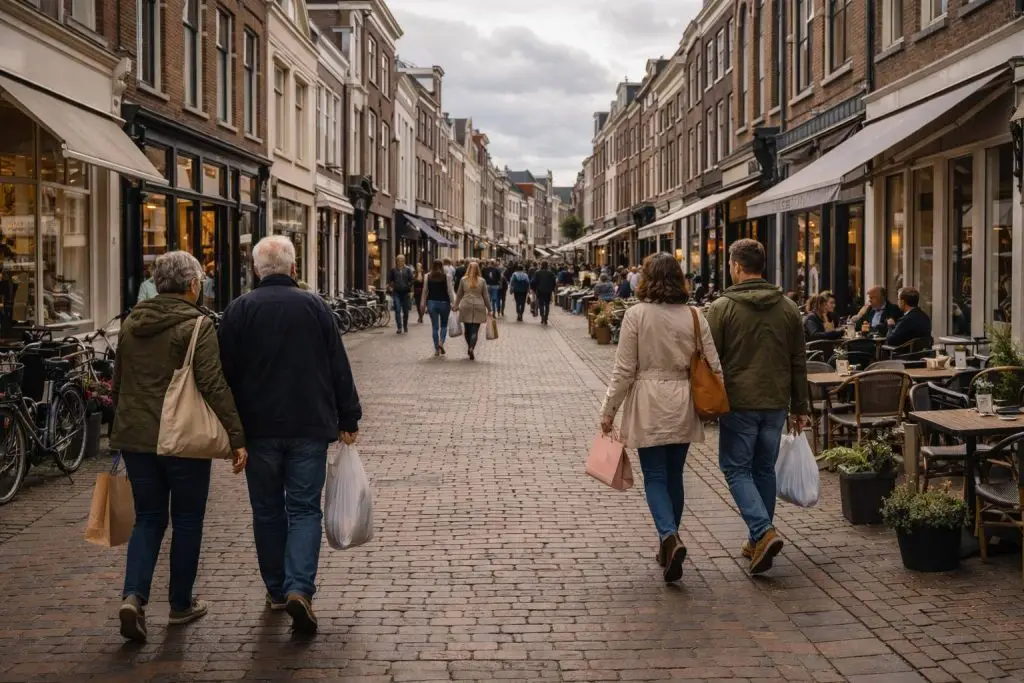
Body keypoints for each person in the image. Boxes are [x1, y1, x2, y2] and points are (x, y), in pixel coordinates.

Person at [218, 235, 361, 635]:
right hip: (308, 425)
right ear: (294, 268)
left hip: (258, 429)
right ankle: (300, 587)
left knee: (266, 511)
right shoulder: (315, 307)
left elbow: (223, 373)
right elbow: (338, 364)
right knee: (303, 509)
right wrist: (348, 416)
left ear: (255, 270)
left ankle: (278, 590)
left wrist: (231, 428)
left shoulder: (239, 310)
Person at [112, 251, 247, 643]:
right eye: (201, 281)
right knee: (187, 519)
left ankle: (133, 598)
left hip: (137, 438)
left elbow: (118, 383)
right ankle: (180, 604)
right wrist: (237, 436)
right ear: (192, 285)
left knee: (148, 518)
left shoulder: (132, 323)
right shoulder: (197, 325)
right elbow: (213, 384)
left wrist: (118, 432)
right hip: (183, 439)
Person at [600, 253, 722, 583]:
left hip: (649, 400)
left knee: (654, 476)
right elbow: (714, 365)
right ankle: (668, 543)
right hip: (683, 399)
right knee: (674, 476)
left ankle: (669, 536)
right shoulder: (696, 316)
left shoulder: (636, 315)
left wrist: (608, 411)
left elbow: (624, 370)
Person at [706, 239, 810, 576]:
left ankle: (763, 532)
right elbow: (798, 361)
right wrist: (800, 405)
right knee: (764, 468)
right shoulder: (789, 308)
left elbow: (710, 359)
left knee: (736, 469)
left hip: (739, 402)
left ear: (736, 266)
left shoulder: (722, 308)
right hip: (776, 401)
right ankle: (757, 539)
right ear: (762, 266)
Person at [453, 261, 492, 360]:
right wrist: (490, 309)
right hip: (479, 305)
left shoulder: (463, 280)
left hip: (466, 305)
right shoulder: (482, 281)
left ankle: (469, 346)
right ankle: (471, 347)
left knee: (467, 329)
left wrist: (456, 305)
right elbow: (486, 296)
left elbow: (459, 294)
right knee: (475, 330)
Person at [420, 259, 457, 356]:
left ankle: (436, 349)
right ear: (441, 266)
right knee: (444, 325)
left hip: (432, 303)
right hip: (444, 303)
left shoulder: (427, 276)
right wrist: (453, 303)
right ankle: (441, 342)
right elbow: (449, 291)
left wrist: (423, 303)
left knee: (435, 327)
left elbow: (425, 291)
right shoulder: (447, 277)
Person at [387, 254, 414, 334]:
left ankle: (405, 326)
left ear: (404, 261)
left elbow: (412, 280)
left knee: (405, 311)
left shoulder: (408, 270)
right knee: (397, 310)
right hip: (396, 293)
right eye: (398, 260)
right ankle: (399, 327)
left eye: (402, 260)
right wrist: (390, 287)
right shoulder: (393, 270)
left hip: (406, 293)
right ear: (396, 261)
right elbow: (389, 280)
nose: (400, 262)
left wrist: (411, 291)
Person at [531, 260, 557, 325]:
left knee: (541, 304)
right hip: (548, 291)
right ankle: (546, 317)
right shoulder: (551, 273)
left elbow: (533, 282)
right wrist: (553, 289)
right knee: (547, 305)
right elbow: (554, 282)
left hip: (540, 291)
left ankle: (542, 317)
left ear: (541, 265)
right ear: (547, 265)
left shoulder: (537, 272)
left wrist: (533, 289)